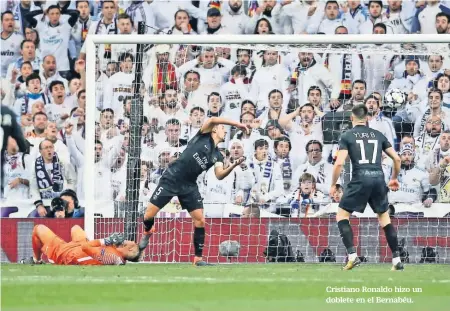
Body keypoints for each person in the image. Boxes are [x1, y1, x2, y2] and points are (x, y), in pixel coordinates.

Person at [143, 116, 250, 266]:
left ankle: (198, 259)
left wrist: (233, 165)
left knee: (200, 220)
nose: (224, 130)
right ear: (214, 129)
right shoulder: (203, 135)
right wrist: (238, 124)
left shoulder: (217, 155)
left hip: (189, 185)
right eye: (222, 128)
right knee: (148, 215)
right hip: (172, 178)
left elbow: (219, 175)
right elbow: (213, 119)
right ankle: (148, 230)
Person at [330, 104, 403, 271]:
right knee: (385, 218)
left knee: (342, 215)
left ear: (351, 118)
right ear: (367, 118)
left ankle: (352, 256)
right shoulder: (378, 135)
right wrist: (394, 178)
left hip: (360, 178)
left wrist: (333, 184)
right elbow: (397, 159)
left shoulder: (347, 135)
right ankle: (397, 259)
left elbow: (339, 162)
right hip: (378, 178)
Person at [21, 224, 150, 265]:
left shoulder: (111, 256)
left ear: (131, 248)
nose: (128, 240)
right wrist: (146, 237)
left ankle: (36, 260)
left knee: (38, 228)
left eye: (132, 242)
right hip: (80, 247)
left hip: (66, 254)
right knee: (75, 228)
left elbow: (85, 247)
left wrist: (107, 240)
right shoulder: (119, 255)